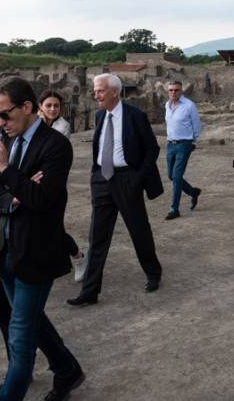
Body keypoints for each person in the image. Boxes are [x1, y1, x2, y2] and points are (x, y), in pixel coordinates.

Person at [0, 78, 85, 401]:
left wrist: (7, 172)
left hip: (35, 253)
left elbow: (41, 200)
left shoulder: (54, 145)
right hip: (4, 249)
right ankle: (68, 370)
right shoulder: (5, 141)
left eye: (4, 115)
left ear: (27, 108)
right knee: (31, 320)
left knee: (20, 340)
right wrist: (15, 195)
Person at [68, 74, 163, 306]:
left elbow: (152, 149)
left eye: (99, 90)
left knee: (138, 230)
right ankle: (90, 292)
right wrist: (95, 175)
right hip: (102, 179)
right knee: (97, 238)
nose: (95, 94)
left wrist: (137, 179)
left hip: (126, 179)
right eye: (95, 90)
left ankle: (153, 273)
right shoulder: (100, 115)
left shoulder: (135, 116)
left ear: (113, 92)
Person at [37, 90, 87, 281]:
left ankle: (79, 258)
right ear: (40, 106)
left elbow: (45, 150)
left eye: (56, 106)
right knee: (39, 227)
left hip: (53, 185)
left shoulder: (62, 126)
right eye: (48, 105)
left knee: (54, 228)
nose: (52, 109)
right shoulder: (35, 123)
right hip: (34, 183)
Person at [163, 80, 203, 220]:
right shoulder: (167, 105)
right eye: (171, 90)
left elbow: (196, 125)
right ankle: (193, 192)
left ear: (181, 91)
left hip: (184, 144)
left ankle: (174, 209)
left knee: (177, 176)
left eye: (176, 90)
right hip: (170, 144)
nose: (173, 92)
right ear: (168, 91)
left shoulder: (189, 106)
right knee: (171, 175)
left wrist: (192, 141)